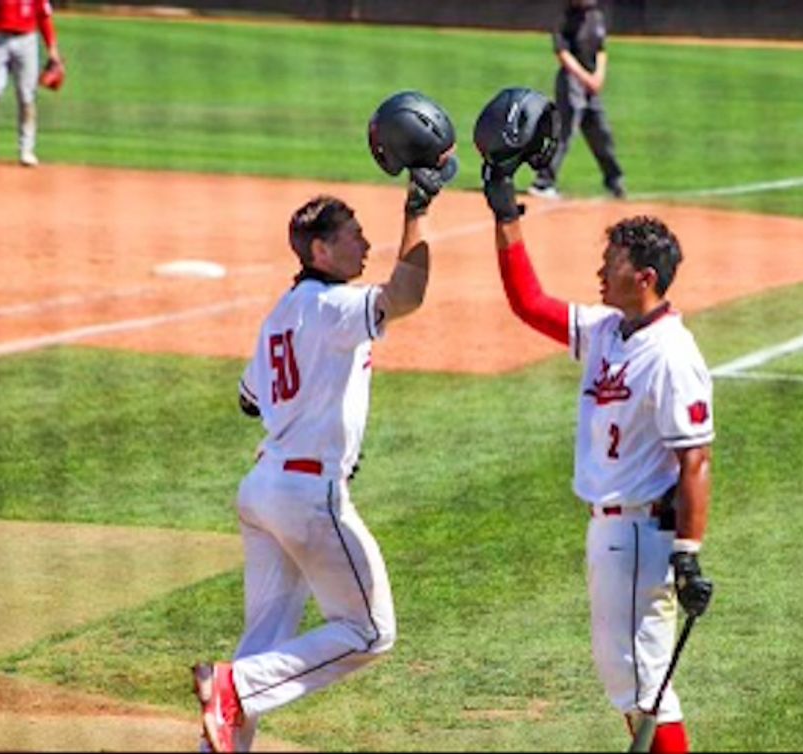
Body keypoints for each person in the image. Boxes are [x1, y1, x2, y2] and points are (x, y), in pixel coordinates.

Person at [191, 93, 456, 753]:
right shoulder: (333, 306)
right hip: (309, 497)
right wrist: (417, 209)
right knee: (369, 631)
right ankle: (234, 690)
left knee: (266, 643)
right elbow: (408, 295)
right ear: (319, 248)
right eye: (353, 236)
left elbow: (251, 399)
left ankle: (225, 717)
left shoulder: (281, 312)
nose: (365, 242)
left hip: (262, 491)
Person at [476, 89, 715, 753]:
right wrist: (506, 216)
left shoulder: (673, 355)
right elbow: (528, 303)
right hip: (610, 535)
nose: (598, 271)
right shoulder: (609, 329)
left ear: (643, 276)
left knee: (646, 688)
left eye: (610, 264)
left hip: (643, 536)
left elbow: (696, 457)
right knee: (629, 683)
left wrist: (688, 556)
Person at [528, 0, 626, 200]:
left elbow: (601, 49)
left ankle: (614, 182)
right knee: (565, 132)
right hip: (572, 82)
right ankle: (543, 183)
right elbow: (563, 53)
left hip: (593, 84)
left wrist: (599, 75)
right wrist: (585, 77)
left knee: (601, 134)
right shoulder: (565, 19)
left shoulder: (596, 16)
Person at [0, 0, 62, 167]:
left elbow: (44, 17)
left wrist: (52, 50)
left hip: (27, 40)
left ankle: (26, 150)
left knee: (27, 97)